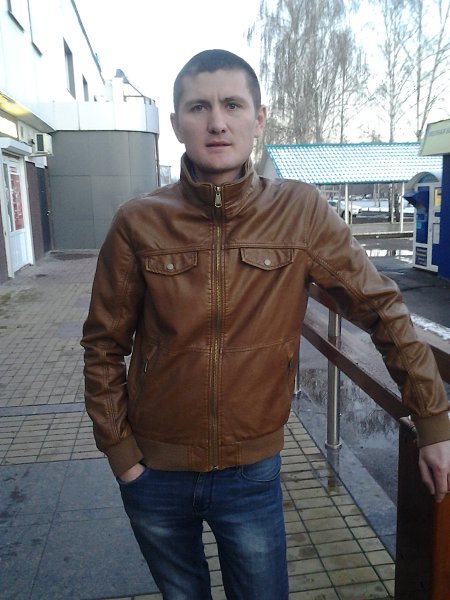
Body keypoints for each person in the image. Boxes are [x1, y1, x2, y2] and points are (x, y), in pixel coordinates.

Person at [81, 49, 450, 600]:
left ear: (258, 119)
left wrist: (432, 419)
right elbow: (103, 344)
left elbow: (382, 308)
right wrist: (121, 453)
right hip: (153, 470)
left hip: (250, 473)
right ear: (177, 123)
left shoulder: (299, 211)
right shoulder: (139, 221)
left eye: (232, 105)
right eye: (199, 107)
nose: (217, 121)